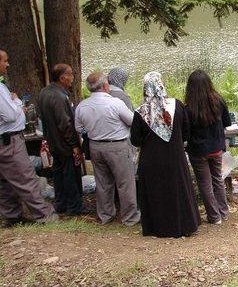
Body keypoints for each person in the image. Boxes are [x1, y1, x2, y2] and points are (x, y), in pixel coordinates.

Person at [130, 72, 200, 237]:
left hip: (151, 160)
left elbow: (135, 140)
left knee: (156, 193)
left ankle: (158, 228)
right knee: (178, 190)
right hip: (175, 157)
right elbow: (187, 131)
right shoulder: (176, 105)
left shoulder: (141, 112)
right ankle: (183, 225)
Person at [0, 49, 58, 226]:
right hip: (8, 140)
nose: (8, 64)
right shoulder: (0, 88)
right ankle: (44, 214)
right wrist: (17, 104)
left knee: (4, 181)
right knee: (25, 177)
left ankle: (11, 215)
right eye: (5, 61)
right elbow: (9, 115)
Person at [74, 71, 139, 226]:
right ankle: (130, 217)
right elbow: (132, 121)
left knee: (103, 183)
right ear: (105, 85)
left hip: (95, 145)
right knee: (125, 182)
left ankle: (105, 215)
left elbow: (79, 127)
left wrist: (94, 129)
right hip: (117, 146)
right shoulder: (115, 103)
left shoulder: (82, 106)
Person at [38, 63, 88, 216]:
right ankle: (74, 207)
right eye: (71, 75)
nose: (73, 78)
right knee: (71, 175)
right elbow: (64, 123)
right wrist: (74, 145)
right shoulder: (59, 96)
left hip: (53, 142)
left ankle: (60, 204)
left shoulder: (44, 92)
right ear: (62, 77)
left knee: (58, 174)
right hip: (64, 144)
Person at [184, 70, 231, 224]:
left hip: (198, 150)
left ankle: (214, 216)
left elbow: (186, 133)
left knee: (205, 183)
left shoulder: (189, 107)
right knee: (217, 179)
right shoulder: (218, 100)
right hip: (216, 147)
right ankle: (223, 212)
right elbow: (227, 123)